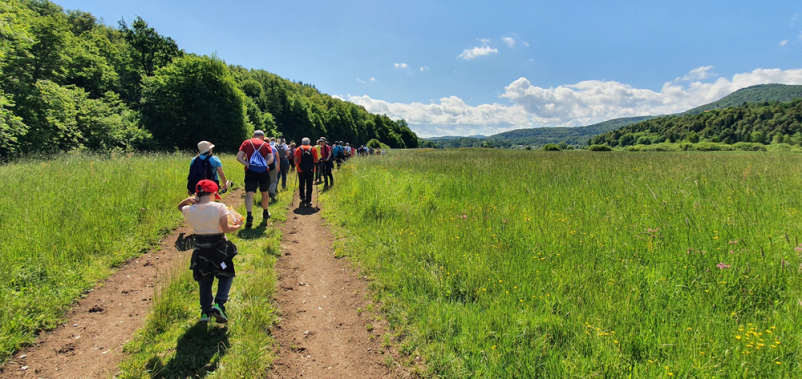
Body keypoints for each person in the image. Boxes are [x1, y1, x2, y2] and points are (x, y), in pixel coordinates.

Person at [177, 180, 242, 323]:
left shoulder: (190, 210)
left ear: (197, 194)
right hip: (220, 252)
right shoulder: (220, 207)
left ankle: (205, 312)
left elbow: (180, 206)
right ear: (213, 193)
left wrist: (189, 200)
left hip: (201, 252)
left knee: (205, 280)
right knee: (226, 275)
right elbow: (226, 229)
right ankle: (219, 304)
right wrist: (237, 226)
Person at [237, 130, 274, 228]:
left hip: (250, 171)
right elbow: (271, 159)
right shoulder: (265, 144)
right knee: (265, 193)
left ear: (253, 136)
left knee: (249, 194)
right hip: (263, 171)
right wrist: (263, 164)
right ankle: (265, 213)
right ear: (263, 136)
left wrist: (248, 165)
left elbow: (239, 157)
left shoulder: (246, 142)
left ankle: (249, 216)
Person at [295, 137, 319, 207]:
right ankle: (308, 200)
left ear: (302, 142)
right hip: (310, 169)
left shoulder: (298, 149)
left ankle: (302, 197)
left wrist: (297, 166)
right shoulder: (313, 149)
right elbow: (316, 159)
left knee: (301, 183)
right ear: (309, 142)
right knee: (309, 184)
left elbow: (295, 159)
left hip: (300, 169)